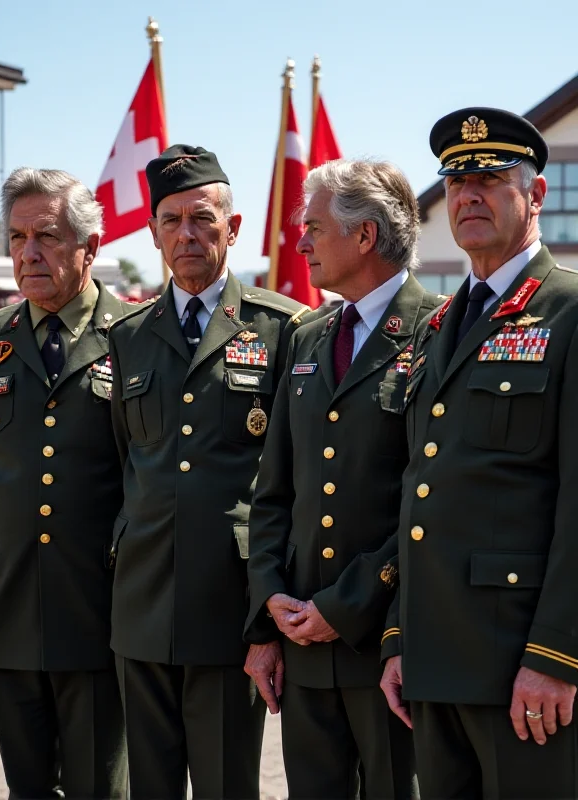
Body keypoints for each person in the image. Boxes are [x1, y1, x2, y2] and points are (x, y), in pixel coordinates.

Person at [379, 107, 578, 798]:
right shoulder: (439, 324)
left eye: (490, 180)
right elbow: (420, 490)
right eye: (457, 182)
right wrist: (400, 636)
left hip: (522, 664)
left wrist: (557, 656)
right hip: (436, 659)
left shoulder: (568, 313)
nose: (467, 197)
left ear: (535, 195)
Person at [108, 144, 310, 800]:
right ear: (153, 232)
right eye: (171, 221)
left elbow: (293, 481)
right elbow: (125, 466)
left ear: (234, 226)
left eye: (202, 218)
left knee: (228, 787)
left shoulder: (283, 329)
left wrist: (266, 620)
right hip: (141, 610)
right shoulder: (130, 334)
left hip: (231, 610)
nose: (186, 234)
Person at [244, 159, 442, 799]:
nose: (299, 243)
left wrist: (347, 604)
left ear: (365, 237)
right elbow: (274, 488)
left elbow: (431, 502)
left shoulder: (439, 331)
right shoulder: (309, 335)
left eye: (314, 228)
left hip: (386, 641)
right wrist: (269, 603)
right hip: (302, 641)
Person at [0, 168, 140, 798]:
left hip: (100, 611)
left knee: (100, 788)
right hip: (5, 611)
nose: (28, 253)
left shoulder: (137, 339)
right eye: (17, 238)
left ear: (90, 247)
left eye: (46, 236)